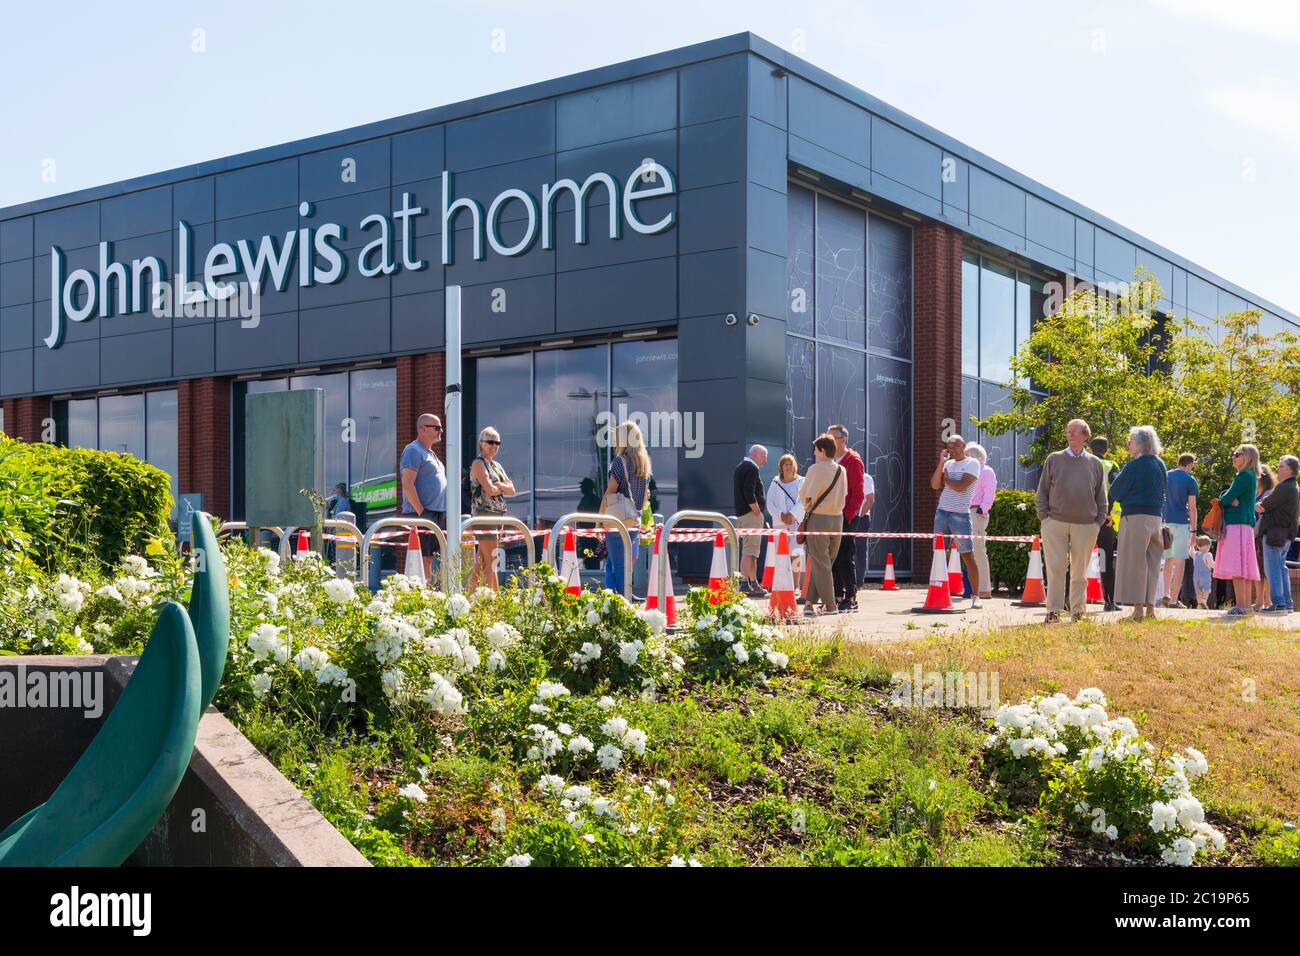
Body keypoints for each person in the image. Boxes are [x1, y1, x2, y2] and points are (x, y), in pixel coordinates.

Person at [1035, 419, 1110, 623]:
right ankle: (1053, 611)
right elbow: (1042, 490)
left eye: (1074, 432)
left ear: (1085, 436)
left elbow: (1101, 495)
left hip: (1086, 525)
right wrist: (1044, 516)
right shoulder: (1054, 459)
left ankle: (1078, 611)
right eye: (1068, 432)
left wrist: (1098, 521)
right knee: (1056, 568)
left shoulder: (1094, 463)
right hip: (1055, 523)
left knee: (1079, 571)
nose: (1069, 435)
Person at [1110, 426, 1168, 621]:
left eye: (1131, 440)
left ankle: (1137, 611)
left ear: (1141, 443)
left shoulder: (1134, 465)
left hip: (1135, 517)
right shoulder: (1160, 463)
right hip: (1156, 517)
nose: (1128, 444)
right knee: (1152, 563)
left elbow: (1115, 492)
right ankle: (1150, 609)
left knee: (1135, 564)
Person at [930, 434, 984, 608]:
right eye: (949, 446)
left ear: (964, 446)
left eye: (955, 446)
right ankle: (938, 591)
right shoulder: (947, 464)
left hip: (960, 513)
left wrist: (947, 479)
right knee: (938, 552)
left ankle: (976, 595)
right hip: (942, 512)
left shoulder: (972, 463)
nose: (952, 449)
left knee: (967, 554)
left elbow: (961, 487)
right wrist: (941, 462)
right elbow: (935, 484)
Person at [601, 421, 651, 595]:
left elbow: (610, 492)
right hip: (634, 519)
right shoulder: (644, 464)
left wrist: (600, 518)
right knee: (616, 562)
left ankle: (622, 598)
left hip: (617, 520)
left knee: (618, 564)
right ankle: (612, 595)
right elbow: (645, 496)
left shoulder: (619, 462)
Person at [800, 434, 846, 616]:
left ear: (822, 450)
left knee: (821, 562)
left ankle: (830, 604)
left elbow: (805, 496)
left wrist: (807, 506)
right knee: (824, 563)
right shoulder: (841, 470)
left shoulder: (814, 469)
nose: (813, 452)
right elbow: (845, 494)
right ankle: (809, 603)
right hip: (837, 519)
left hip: (819, 518)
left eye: (815, 449)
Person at [399, 413, 448, 583]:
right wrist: (422, 513)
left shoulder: (431, 453)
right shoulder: (413, 450)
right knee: (423, 558)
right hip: (421, 514)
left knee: (432, 557)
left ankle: (431, 593)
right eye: (437, 427)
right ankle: (424, 598)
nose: (441, 430)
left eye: (440, 427)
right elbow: (407, 483)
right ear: (423, 429)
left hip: (435, 514)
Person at [1214, 444, 1261, 618]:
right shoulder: (1249, 476)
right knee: (1244, 568)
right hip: (1244, 525)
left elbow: (1224, 499)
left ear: (1247, 457)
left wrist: (1226, 497)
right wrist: (1229, 497)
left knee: (1238, 567)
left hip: (1237, 526)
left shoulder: (1243, 476)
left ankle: (1242, 606)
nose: (1233, 457)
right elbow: (1229, 498)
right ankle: (1245, 606)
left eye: (1237, 454)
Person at [469, 426, 516, 592]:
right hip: (484, 516)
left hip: (498, 517)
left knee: (482, 561)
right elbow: (489, 489)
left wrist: (500, 485)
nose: (494, 445)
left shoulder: (496, 465)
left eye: (497, 442)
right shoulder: (478, 463)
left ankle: (469, 597)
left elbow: (512, 489)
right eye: (490, 442)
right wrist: (501, 487)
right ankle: (496, 603)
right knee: (492, 560)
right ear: (481, 443)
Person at [828, 424, 867, 611]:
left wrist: (848, 516)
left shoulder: (853, 460)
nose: (829, 440)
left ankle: (851, 598)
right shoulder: (831, 461)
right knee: (834, 557)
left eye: (832, 437)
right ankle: (837, 596)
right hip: (833, 515)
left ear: (843, 440)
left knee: (845, 556)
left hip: (846, 516)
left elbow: (859, 494)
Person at [1256, 455, 1298, 615]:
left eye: (1280, 466)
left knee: (1272, 568)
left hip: (1275, 534)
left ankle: (1279, 604)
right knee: (1281, 568)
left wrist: (1256, 504)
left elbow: (1262, 507)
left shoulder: (1284, 488)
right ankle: (1287, 604)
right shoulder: (1293, 487)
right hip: (1284, 535)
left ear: (1288, 470)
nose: (1277, 469)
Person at [1160, 453, 1198, 609]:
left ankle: (1166, 594)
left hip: (1165, 522)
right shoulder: (1190, 480)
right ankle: (1174, 600)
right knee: (1180, 561)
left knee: (1168, 559)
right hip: (1181, 523)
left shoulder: (1166, 475)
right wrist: (1194, 531)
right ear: (1189, 465)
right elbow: (1193, 508)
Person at [1090, 436, 1121, 611]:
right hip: (1105, 520)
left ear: (1090, 449)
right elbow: (1117, 488)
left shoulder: (1083, 462)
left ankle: (1067, 600)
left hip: (1084, 518)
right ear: (1107, 451)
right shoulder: (1111, 465)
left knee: (1077, 559)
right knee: (1106, 560)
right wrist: (1110, 515)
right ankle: (1110, 602)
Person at [733, 445, 769, 597]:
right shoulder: (751, 468)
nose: (765, 460)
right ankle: (744, 584)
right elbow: (749, 491)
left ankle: (753, 583)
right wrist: (757, 510)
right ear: (755, 455)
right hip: (750, 515)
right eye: (764, 457)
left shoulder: (740, 467)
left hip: (744, 514)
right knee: (749, 551)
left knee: (753, 551)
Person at [965, 443, 998, 600]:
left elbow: (990, 493)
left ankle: (984, 588)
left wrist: (982, 510)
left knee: (979, 551)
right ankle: (970, 588)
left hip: (976, 512)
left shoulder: (987, 471)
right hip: (965, 511)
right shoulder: (969, 471)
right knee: (966, 552)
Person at [767, 453, 806, 583]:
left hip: (796, 523)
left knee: (796, 555)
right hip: (780, 524)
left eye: (790, 464)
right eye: (786, 465)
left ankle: (795, 586)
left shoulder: (802, 481)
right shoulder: (775, 482)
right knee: (781, 556)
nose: (788, 467)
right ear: (781, 467)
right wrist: (781, 515)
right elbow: (770, 503)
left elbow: (805, 500)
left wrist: (792, 515)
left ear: (794, 466)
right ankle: (782, 584)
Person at [1253, 464, 1277, 611]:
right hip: (1255, 536)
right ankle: (1259, 600)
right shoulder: (1255, 495)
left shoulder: (1268, 494)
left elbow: (1263, 516)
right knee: (1258, 569)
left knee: (1265, 569)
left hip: (1263, 535)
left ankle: (1267, 599)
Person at [1192, 535, 1215, 609]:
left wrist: (1192, 545)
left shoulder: (1195, 554)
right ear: (1209, 546)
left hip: (1196, 577)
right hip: (1205, 576)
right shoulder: (1208, 554)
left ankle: (1199, 604)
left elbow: (1190, 552)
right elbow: (1212, 564)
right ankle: (1204, 601)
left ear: (1198, 546)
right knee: (1206, 589)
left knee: (1198, 591)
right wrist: (1217, 566)